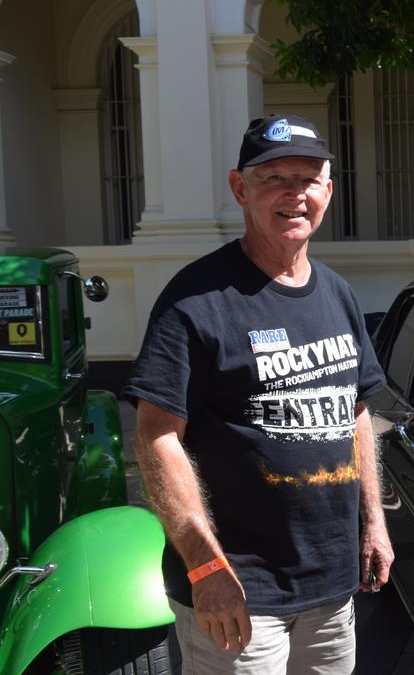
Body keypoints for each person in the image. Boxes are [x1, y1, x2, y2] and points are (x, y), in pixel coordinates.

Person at [126, 114, 393, 674]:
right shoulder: (195, 301)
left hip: (330, 586)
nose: (294, 194)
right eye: (274, 178)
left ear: (328, 191)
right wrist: (205, 568)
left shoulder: (339, 295)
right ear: (240, 189)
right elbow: (157, 439)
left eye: (308, 178)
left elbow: (357, 413)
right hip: (238, 590)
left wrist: (374, 522)